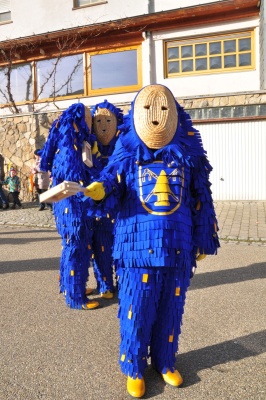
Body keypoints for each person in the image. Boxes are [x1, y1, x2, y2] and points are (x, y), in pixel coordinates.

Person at [83, 84, 220, 398]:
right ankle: (133, 365)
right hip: (136, 251)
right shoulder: (127, 153)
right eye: (148, 111)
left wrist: (202, 236)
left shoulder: (190, 155)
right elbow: (111, 182)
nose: (156, 118)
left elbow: (202, 198)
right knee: (136, 307)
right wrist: (99, 190)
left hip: (177, 247)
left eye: (162, 110)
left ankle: (165, 360)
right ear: (135, 115)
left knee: (171, 308)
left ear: (174, 113)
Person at [40, 103, 101, 310]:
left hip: (69, 200)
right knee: (77, 244)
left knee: (72, 245)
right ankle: (75, 297)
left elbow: (48, 160)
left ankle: (69, 285)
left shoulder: (65, 133)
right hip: (72, 201)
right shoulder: (71, 139)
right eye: (89, 118)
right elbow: (75, 173)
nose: (91, 121)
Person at [87, 100, 124, 299]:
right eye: (98, 120)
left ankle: (123, 281)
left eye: (109, 120)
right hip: (99, 209)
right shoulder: (88, 148)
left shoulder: (124, 147)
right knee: (101, 246)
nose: (103, 125)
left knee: (122, 245)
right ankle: (105, 284)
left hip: (121, 209)